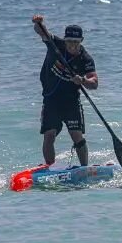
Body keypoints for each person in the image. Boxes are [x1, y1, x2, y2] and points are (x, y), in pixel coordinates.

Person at [33, 16, 98, 166]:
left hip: (71, 102)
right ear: (65, 40)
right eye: (69, 41)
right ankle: (48, 167)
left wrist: (83, 80)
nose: (72, 45)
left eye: (76, 42)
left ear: (81, 40)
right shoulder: (55, 45)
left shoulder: (85, 59)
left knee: (77, 136)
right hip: (51, 100)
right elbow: (41, 31)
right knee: (49, 136)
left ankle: (84, 168)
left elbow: (94, 83)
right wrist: (38, 23)